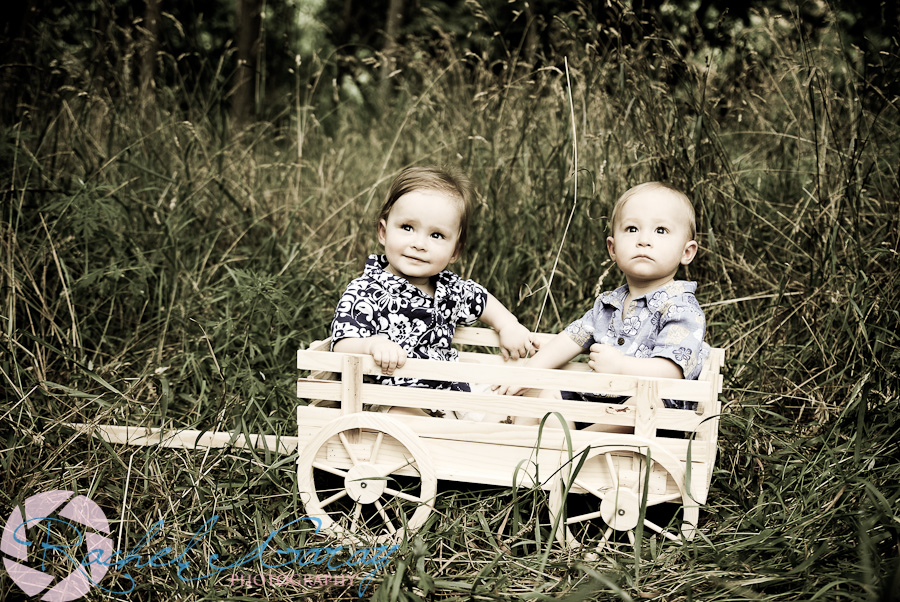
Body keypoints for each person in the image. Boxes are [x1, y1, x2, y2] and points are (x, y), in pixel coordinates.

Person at [330, 165, 535, 415]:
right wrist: (372, 344)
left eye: (436, 235)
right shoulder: (367, 290)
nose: (419, 244)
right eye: (407, 227)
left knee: (500, 404)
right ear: (383, 232)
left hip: (447, 394)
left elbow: (481, 300)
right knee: (404, 414)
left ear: (455, 251)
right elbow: (341, 344)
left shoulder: (449, 290)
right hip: (390, 397)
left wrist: (508, 324)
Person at [504, 182, 709, 411]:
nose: (643, 240)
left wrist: (621, 365)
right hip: (597, 399)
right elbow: (572, 338)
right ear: (612, 248)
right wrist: (527, 373)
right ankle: (526, 437)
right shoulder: (608, 304)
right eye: (632, 229)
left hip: (651, 410)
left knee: (645, 404)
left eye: (660, 230)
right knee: (546, 394)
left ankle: (588, 444)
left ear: (686, 252)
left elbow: (672, 370)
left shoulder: (682, 308)